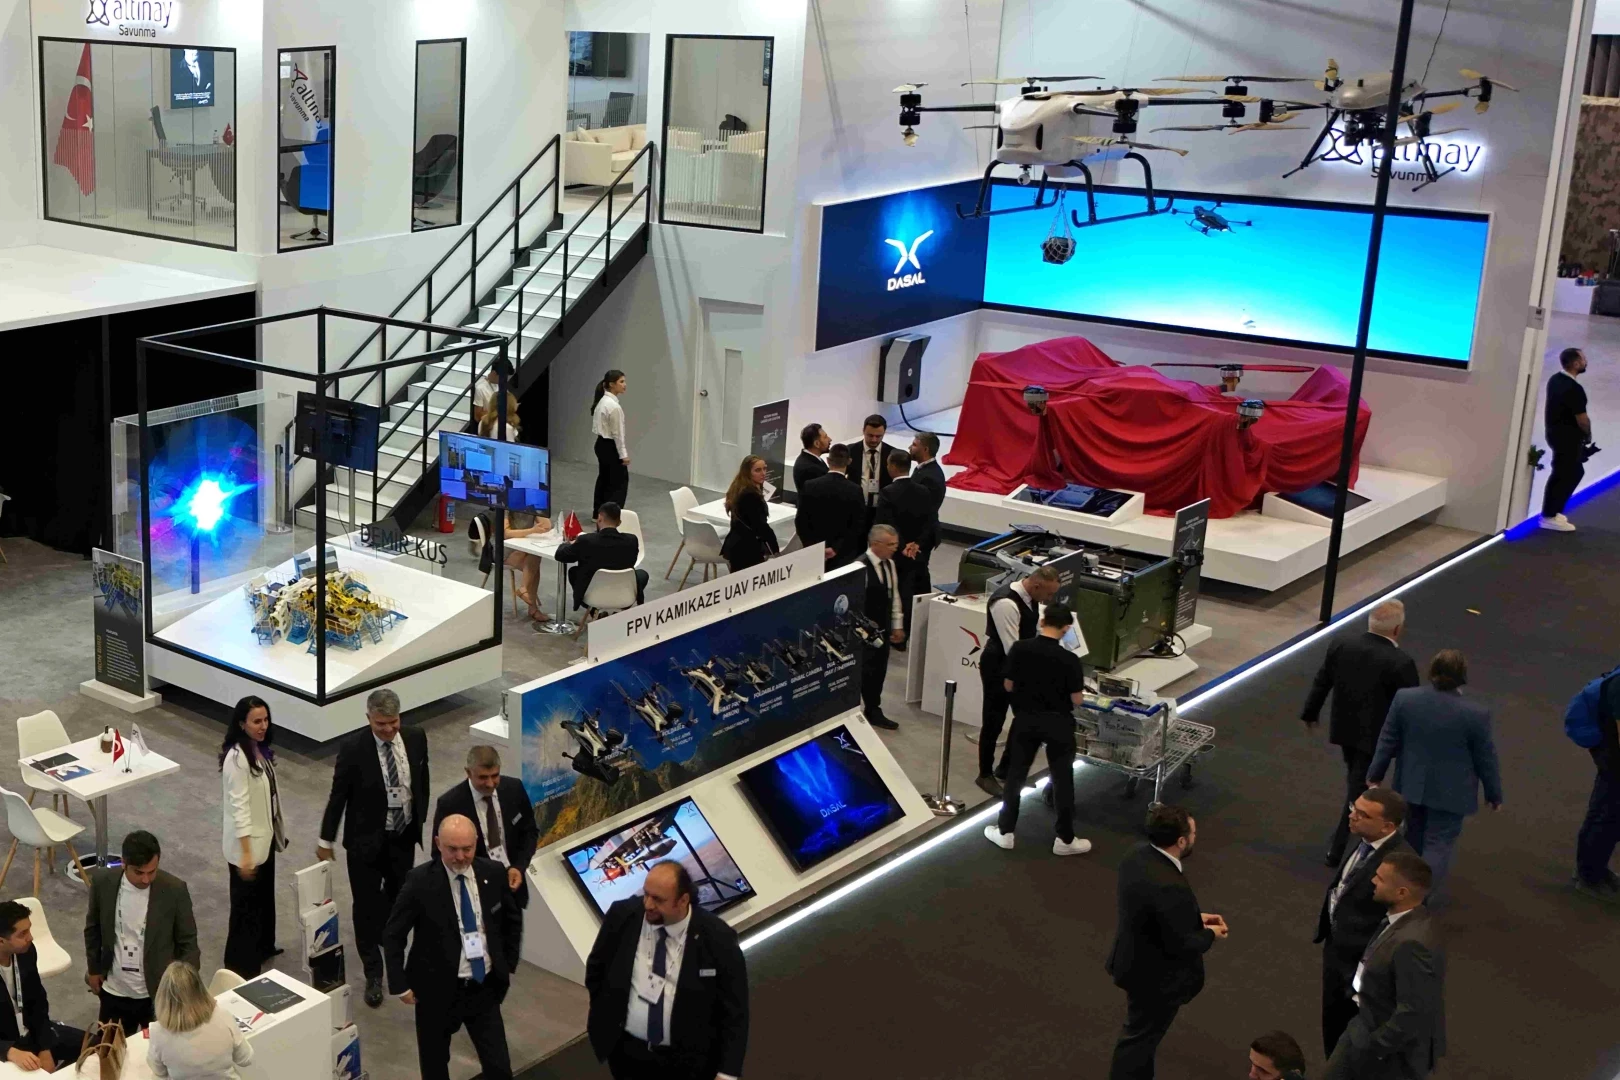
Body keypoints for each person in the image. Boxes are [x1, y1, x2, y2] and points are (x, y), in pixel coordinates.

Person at [383, 815, 522, 1080]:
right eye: (452, 849)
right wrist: (399, 983)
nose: (460, 856)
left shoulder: (493, 873)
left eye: (467, 849)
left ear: (476, 842)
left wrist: (507, 963)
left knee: (499, 1068)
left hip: (483, 988)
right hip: (436, 992)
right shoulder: (419, 882)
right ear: (438, 844)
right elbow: (393, 934)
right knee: (435, 1067)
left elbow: (511, 920)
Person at [318, 687, 431, 1008]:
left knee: (399, 900)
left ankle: (392, 951)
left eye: (393, 722)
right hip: (364, 844)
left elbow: (421, 780)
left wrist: (420, 820)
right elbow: (338, 796)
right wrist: (325, 839)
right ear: (369, 718)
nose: (389, 729)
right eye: (381, 724)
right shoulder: (353, 748)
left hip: (402, 838)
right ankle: (373, 972)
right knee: (366, 907)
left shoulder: (416, 737)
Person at [584, 861, 748, 1080]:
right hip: (627, 1054)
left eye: (658, 899)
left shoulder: (718, 938)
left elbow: (735, 1010)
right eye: (646, 894)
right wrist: (605, 1018)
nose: (648, 905)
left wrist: (727, 1073)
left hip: (688, 1063)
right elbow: (597, 969)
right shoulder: (623, 915)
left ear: (683, 900)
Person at [1366, 649, 1502, 904]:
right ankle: (1418, 899)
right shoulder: (1476, 714)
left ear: (1432, 670)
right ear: (1462, 675)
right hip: (1452, 794)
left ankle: (1398, 890)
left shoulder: (1405, 699)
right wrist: (1494, 793)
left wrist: (1375, 774)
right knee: (1438, 845)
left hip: (1410, 785)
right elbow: (1486, 757)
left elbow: (1387, 739)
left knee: (1411, 840)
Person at [1106, 805, 1227, 1080]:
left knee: (1141, 1038)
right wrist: (1211, 934)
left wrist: (1193, 917)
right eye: (1193, 833)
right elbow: (1183, 944)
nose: (1195, 837)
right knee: (1138, 1041)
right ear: (1181, 841)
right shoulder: (1170, 884)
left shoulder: (1136, 855)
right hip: (1156, 980)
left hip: (1132, 961)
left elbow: (1154, 911)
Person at [1301, 600, 1420, 866]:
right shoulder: (1401, 662)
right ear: (1397, 629)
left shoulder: (1342, 644)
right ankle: (1339, 847)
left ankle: (1346, 834)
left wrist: (1310, 712)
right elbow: (1410, 708)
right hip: (1376, 740)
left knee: (1355, 781)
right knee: (1358, 788)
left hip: (1344, 730)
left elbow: (1323, 680)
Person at [1323, 853, 1445, 1080]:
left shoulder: (1413, 944)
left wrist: (1375, 1048)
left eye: (1380, 878)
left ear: (1402, 893)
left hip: (1383, 1052)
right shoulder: (1402, 920)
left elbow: (1412, 1011)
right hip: (1362, 1026)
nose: (1372, 881)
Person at [983, 602, 1091, 856]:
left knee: (1016, 775)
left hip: (1026, 720)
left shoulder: (1020, 649)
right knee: (1063, 779)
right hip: (1059, 724)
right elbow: (1077, 699)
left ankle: (1005, 832)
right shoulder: (1070, 659)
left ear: (1042, 622)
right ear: (1066, 629)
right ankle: (1065, 839)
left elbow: (1008, 685)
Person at [1316, 788, 1413, 1057]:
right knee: (1331, 1025)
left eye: (1363, 814)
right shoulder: (1365, 840)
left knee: (1351, 1039)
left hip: (1360, 969)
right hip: (1336, 950)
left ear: (1387, 827)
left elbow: (1400, 926)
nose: (1352, 816)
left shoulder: (1401, 865)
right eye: (1353, 808)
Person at [83, 830, 199, 1035]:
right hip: (114, 990)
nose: (146, 879)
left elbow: (188, 942)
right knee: (109, 1050)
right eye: (139, 872)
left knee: (159, 1053)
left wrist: (185, 989)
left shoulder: (174, 890)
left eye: (152, 871)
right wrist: (94, 969)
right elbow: (93, 928)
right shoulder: (103, 882)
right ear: (123, 863)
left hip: (157, 993)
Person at [977, 565, 1061, 796]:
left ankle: (1006, 768)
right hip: (999, 666)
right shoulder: (1006, 602)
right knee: (994, 720)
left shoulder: (1031, 598)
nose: (1049, 599)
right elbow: (1011, 647)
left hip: (1020, 664)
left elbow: (1033, 633)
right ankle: (984, 774)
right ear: (1036, 586)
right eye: (1048, 593)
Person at [219, 696, 288, 979]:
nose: (263, 726)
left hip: (264, 840)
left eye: (265, 719)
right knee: (245, 910)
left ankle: (263, 947)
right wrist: (246, 853)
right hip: (247, 848)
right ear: (241, 724)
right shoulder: (238, 759)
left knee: (263, 899)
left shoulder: (259, 750)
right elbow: (240, 809)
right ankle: (240, 967)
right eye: (256, 721)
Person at [432, 746, 539, 917]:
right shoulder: (450, 804)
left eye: (495, 776)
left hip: (512, 888)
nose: (490, 784)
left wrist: (518, 867)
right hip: (475, 894)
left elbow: (530, 832)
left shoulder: (514, 789)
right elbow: (439, 854)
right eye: (483, 777)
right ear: (468, 772)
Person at [0, 900, 84, 1072]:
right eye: (22, 934)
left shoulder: (26, 952)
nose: (30, 937)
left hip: (31, 1032)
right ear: (1, 941)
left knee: (98, 1046)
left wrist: (45, 1047)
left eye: (29, 929)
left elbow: (37, 1001)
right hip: (6, 1044)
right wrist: (8, 1050)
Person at [146, 961, 253, 1079]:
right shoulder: (223, 1015)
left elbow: (159, 1072)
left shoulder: (157, 1032)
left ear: (162, 996)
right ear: (201, 989)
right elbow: (245, 1059)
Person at [873, 450, 937, 648]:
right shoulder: (923, 491)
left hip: (897, 555)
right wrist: (917, 544)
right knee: (916, 591)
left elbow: (885, 524)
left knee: (897, 595)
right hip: (918, 553)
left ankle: (897, 635)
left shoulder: (887, 493)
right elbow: (931, 522)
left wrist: (901, 546)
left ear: (892, 466)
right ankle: (915, 634)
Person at [1574, 668, 1620, 903]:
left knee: (1602, 815)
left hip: (1609, 757)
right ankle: (1590, 878)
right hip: (1614, 761)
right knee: (1607, 819)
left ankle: (1593, 870)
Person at [555, 502, 647, 609]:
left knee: (573, 571)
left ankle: (591, 608)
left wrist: (567, 544)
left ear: (599, 519)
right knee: (642, 574)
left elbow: (560, 555)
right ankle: (620, 608)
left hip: (593, 594)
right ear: (619, 522)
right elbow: (632, 562)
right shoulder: (632, 540)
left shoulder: (586, 540)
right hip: (624, 593)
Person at [857, 526, 905, 731]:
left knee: (878, 670)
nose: (895, 548)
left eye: (896, 544)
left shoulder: (890, 565)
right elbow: (855, 605)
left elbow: (894, 596)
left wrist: (897, 625)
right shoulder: (859, 567)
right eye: (890, 544)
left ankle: (873, 708)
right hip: (863, 632)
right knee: (862, 671)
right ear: (875, 544)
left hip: (883, 629)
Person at [1540, 346, 1591, 532]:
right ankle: (1549, 515)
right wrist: (1587, 435)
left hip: (1554, 434)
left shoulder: (1555, 380)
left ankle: (1553, 511)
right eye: (1583, 359)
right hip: (1568, 438)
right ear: (1576, 363)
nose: (1586, 361)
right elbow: (1582, 419)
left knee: (1566, 472)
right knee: (1569, 473)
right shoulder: (1574, 389)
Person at [795, 444, 866, 567]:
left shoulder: (809, 486)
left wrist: (813, 547)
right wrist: (835, 548)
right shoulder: (855, 490)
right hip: (843, 555)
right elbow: (857, 525)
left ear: (828, 460)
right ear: (849, 461)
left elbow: (801, 521)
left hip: (814, 554)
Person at [720, 455, 780, 573]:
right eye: (758, 470)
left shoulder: (741, 488)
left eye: (764, 469)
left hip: (738, 544)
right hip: (746, 548)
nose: (763, 473)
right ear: (747, 472)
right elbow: (760, 526)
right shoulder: (749, 495)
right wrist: (775, 549)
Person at [502, 506, 554, 624]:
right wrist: (531, 530)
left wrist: (539, 508)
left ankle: (524, 589)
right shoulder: (506, 507)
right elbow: (507, 534)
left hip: (523, 547)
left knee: (534, 559)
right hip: (505, 550)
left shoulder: (531, 506)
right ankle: (533, 608)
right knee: (533, 566)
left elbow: (547, 526)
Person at [850, 414, 899, 529]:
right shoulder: (850, 451)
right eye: (870, 435)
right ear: (863, 431)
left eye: (878, 436)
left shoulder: (893, 453)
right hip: (857, 510)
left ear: (884, 433)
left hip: (882, 511)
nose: (874, 440)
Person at [592, 369, 630, 513]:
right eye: (621, 382)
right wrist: (623, 454)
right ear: (612, 384)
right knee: (618, 483)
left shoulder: (602, 402)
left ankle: (598, 512)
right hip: (610, 446)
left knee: (604, 479)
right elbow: (618, 434)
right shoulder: (614, 407)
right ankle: (613, 516)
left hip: (601, 444)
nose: (624, 385)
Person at [908, 432, 947, 512]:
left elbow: (918, 507)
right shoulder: (923, 468)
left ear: (925, 449)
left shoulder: (930, 478)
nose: (909, 447)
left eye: (914, 445)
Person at [793, 423, 831, 492]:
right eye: (825, 437)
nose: (830, 439)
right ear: (817, 444)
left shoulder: (812, 459)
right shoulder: (809, 468)